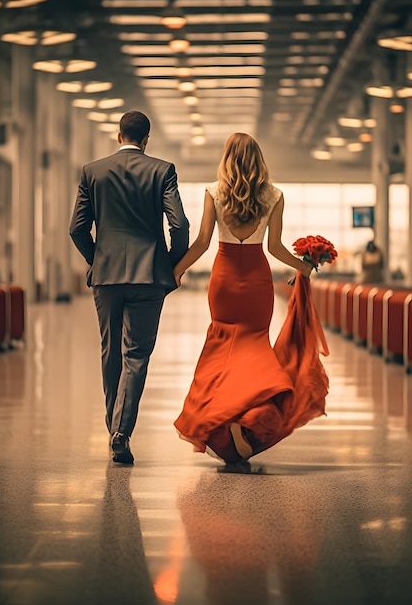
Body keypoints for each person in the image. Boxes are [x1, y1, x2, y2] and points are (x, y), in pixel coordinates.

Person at [173, 132, 328, 466]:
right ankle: (244, 416)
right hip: (257, 281)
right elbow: (274, 248)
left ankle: (224, 414)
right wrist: (305, 265)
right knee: (254, 348)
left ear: (228, 158)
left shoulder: (214, 192)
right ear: (258, 159)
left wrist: (177, 270)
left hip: (224, 279)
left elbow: (201, 242)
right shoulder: (273, 196)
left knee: (222, 350)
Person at [69, 110, 189, 464]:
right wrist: (169, 261)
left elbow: (77, 228)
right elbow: (179, 224)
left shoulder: (92, 172)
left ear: (119, 135)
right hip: (149, 275)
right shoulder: (162, 170)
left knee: (110, 351)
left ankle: (114, 427)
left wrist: (98, 259)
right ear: (146, 139)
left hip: (106, 277)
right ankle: (121, 432)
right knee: (136, 354)